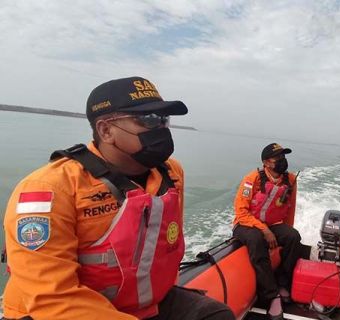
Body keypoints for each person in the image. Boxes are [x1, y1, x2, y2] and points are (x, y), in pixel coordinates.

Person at [2, 76, 234, 320]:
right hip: (58, 312)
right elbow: (52, 298)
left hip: (139, 304)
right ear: (105, 130)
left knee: (217, 315)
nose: (161, 129)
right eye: (148, 119)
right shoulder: (50, 188)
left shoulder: (171, 173)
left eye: (164, 120)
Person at [232, 143, 302, 320]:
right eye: (277, 158)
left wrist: (284, 231)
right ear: (266, 162)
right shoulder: (252, 179)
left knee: (293, 236)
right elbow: (241, 212)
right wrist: (264, 230)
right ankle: (271, 296)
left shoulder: (291, 180)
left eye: (283, 157)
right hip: (245, 225)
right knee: (256, 239)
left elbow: (289, 211)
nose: (282, 161)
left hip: (271, 225)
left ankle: (283, 283)